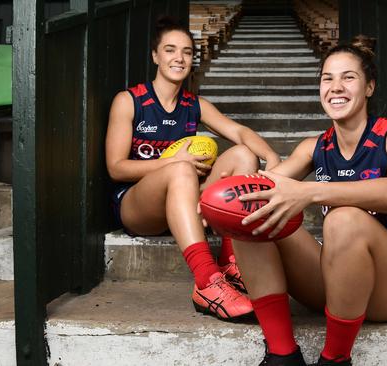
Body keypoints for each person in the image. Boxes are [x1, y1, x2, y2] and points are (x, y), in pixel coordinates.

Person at [232, 36, 387, 365]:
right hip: (335, 280)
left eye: (348, 77)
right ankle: (282, 355)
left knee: (343, 219)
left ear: (369, 87)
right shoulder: (314, 147)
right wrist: (221, 190)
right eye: (327, 78)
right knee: (246, 212)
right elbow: (264, 186)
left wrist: (309, 192)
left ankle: (335, 359)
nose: (336, 87)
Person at [105, 16, 280, 321]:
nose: (179, 58)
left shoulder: (194, 104)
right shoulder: (130, 101)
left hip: (183, 199)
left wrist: (273, 159)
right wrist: (174, 162)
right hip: (138, 206)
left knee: (242, 155)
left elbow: (240, 133)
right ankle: (207, 282)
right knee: (182, 170)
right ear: (156, 56)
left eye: (186, 52)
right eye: (170, 50)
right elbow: (116, 169)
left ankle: (230, 264)